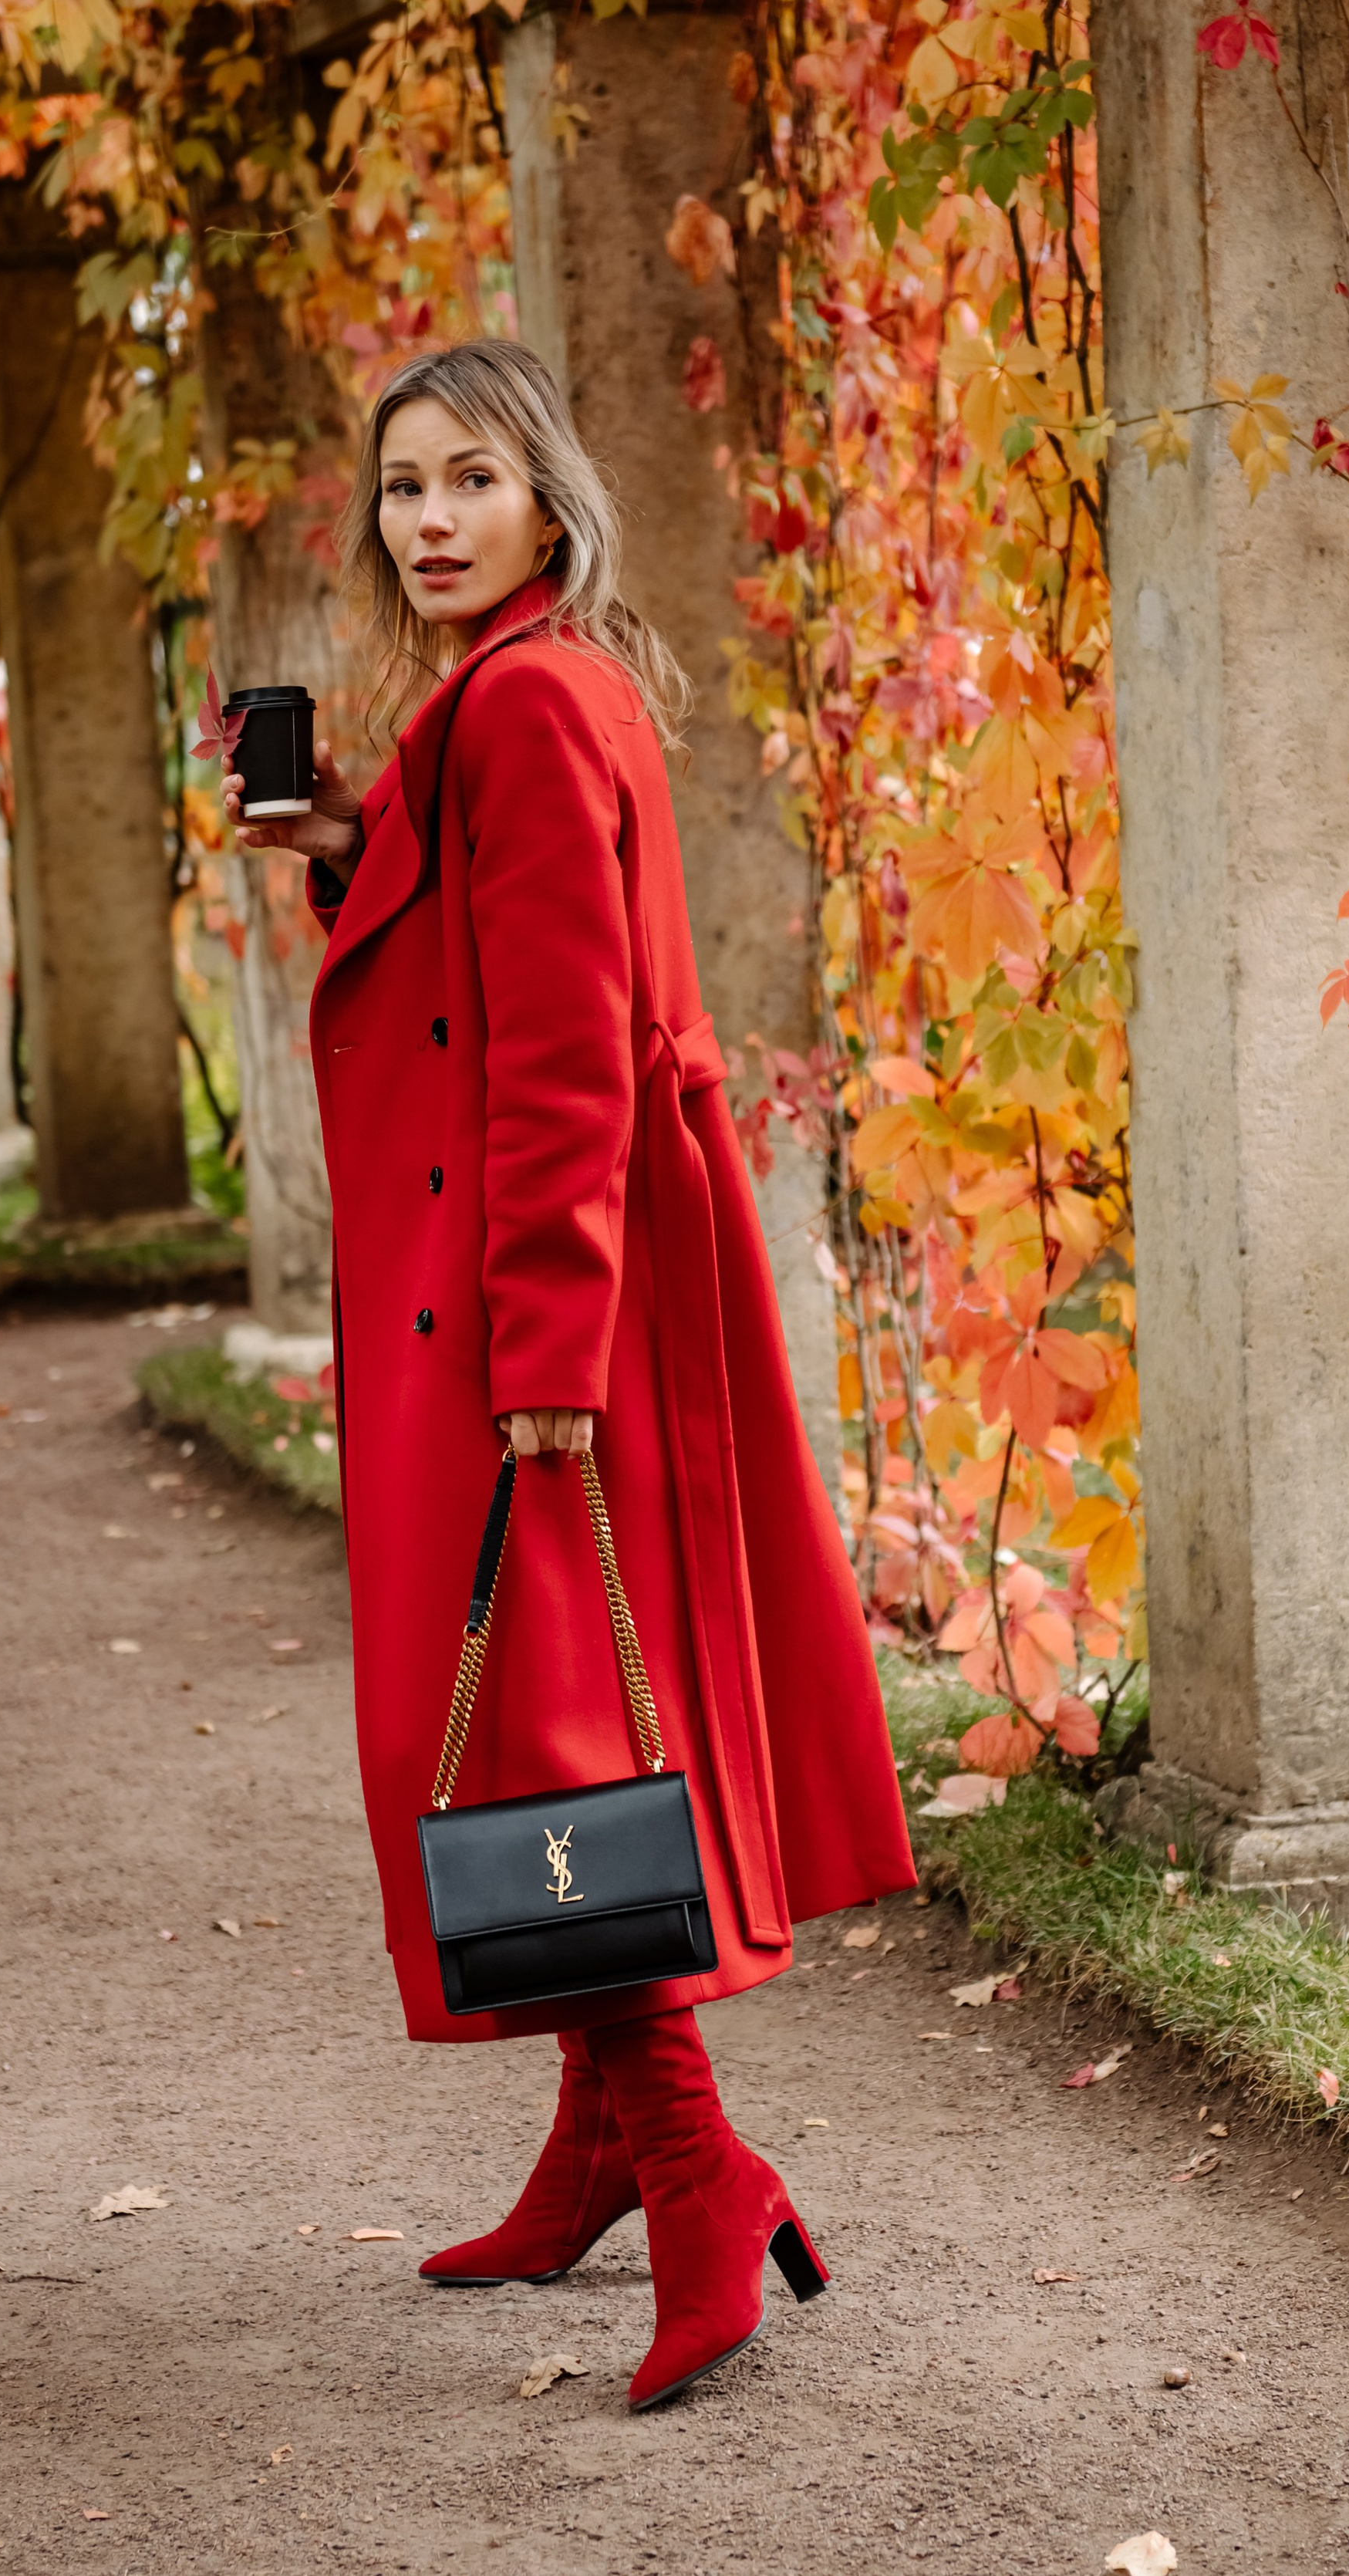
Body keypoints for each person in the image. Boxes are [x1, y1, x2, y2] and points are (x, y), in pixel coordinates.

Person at [222, 339, 914, 2412]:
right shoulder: (524, 692)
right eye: (403, 486)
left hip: (536, 1293)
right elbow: (486, 978)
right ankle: (602, 2143)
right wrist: (352, 842)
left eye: (472, 479)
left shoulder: (521, 706)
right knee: (557, 1718)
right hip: (559, 1271)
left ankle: (702, 2170)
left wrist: (541, 1346)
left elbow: (553, 1050)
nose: (429, 519)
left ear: (548, 498)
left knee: (544, 1735)